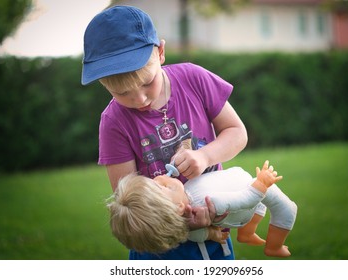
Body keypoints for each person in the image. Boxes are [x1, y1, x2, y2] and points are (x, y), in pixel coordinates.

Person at [81, 5, 248, 259]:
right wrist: (182, 220)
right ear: (104, 83)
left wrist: (204, 157)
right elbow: (129, 199)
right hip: (156, 248)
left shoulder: (194, 78)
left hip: (214, 233)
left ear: (160, 52)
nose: (139, 99)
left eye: (147, 83)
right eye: (122, 93)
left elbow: (237, 132)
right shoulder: (114, 122)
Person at [108, 160, 297, 258]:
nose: (159, 178)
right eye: (161, 187)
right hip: (251, 190)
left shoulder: (188, 204)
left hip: (245, 186)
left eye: (152, 181)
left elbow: (193, 235)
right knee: (287, 209)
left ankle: (246, 235)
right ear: (179, 207)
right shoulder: (210, 202)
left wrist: (210, 235)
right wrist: (261, 184)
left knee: (260, 208)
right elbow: (245, 200)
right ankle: (274, 246)